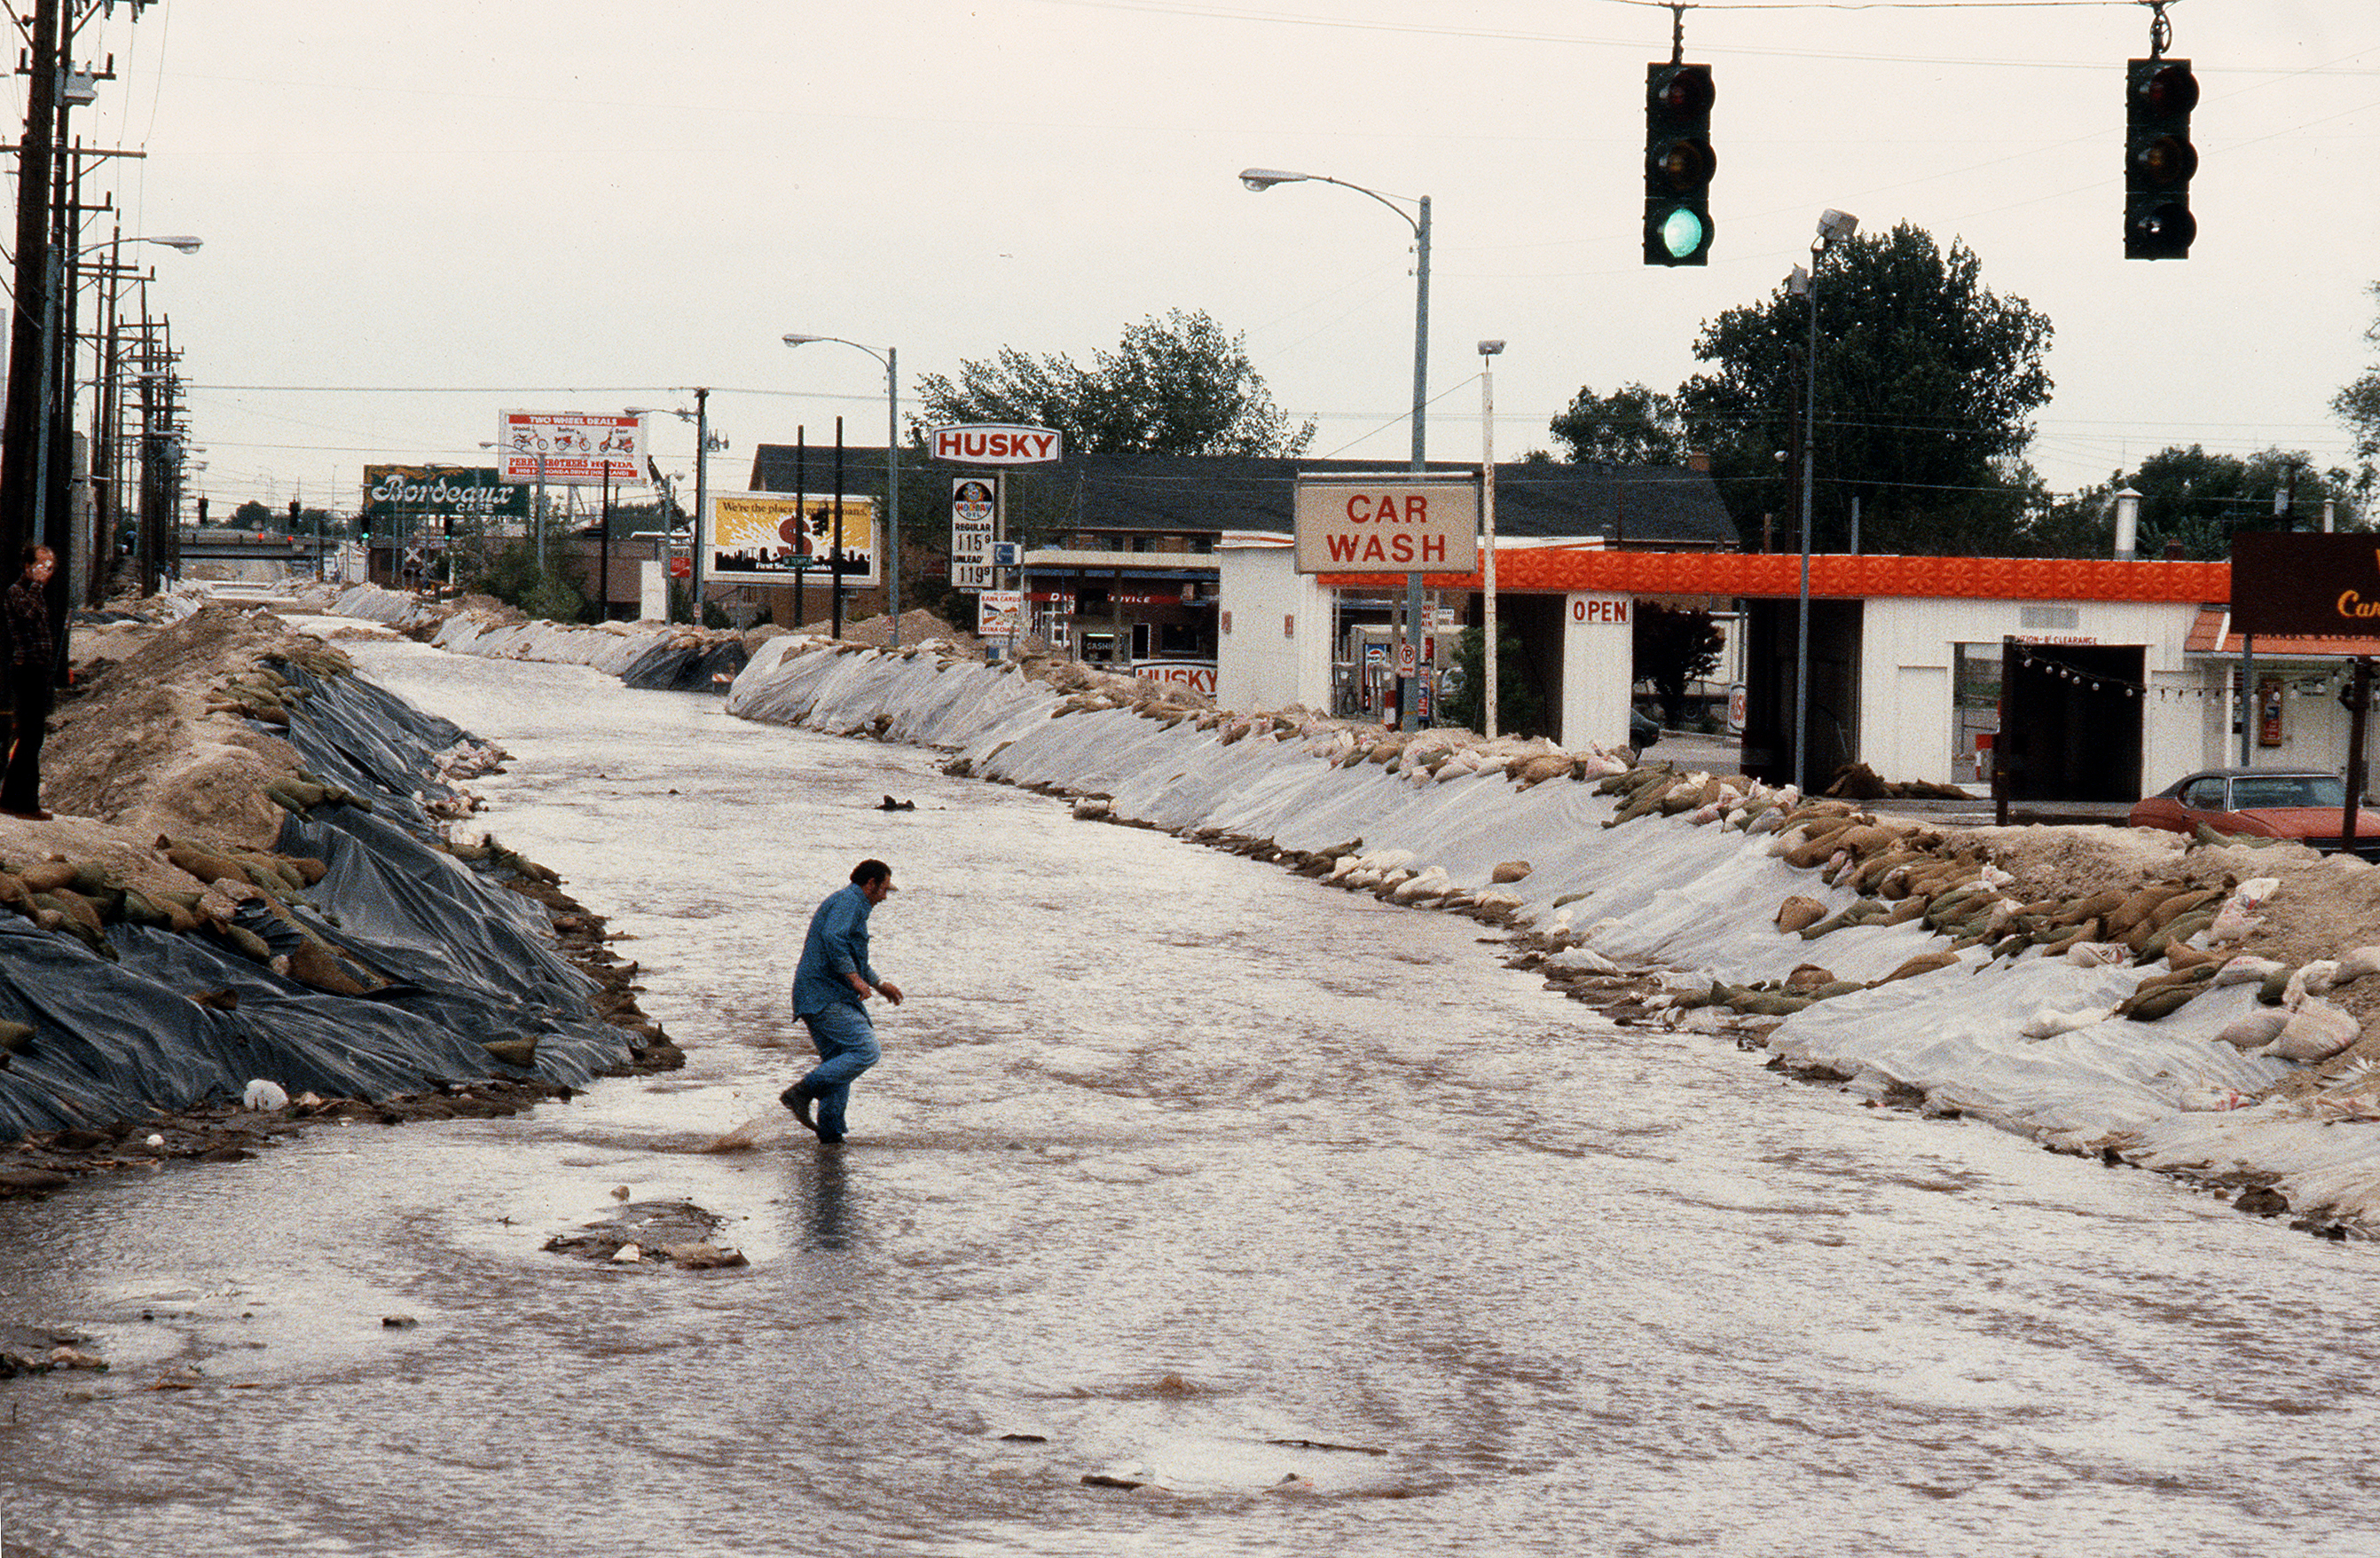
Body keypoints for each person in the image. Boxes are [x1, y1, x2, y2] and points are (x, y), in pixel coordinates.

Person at [782, 858, 904, 1144]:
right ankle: (800, 1093)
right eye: (884, 889)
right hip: (823, 995)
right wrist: (855, 980)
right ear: (870, 884)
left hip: (817, 995)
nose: (885, 897)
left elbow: (852, 954)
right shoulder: (850, 901)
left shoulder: (852, 905)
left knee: (839, 1063)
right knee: (866, 1050)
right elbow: (833, 938)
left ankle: (831, 1136)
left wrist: (877, 983)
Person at [3, 544, 57, 822]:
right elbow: (29, 617)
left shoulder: (34, 593)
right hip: (27, 670)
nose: (46, 572)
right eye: (41, 565)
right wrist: (36, 585)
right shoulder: (18, 592)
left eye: (49, 567)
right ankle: (24, 803)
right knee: (31, 735)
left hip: (37, 670)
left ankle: (12, 798)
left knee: (32, 735)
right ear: (27, 567)